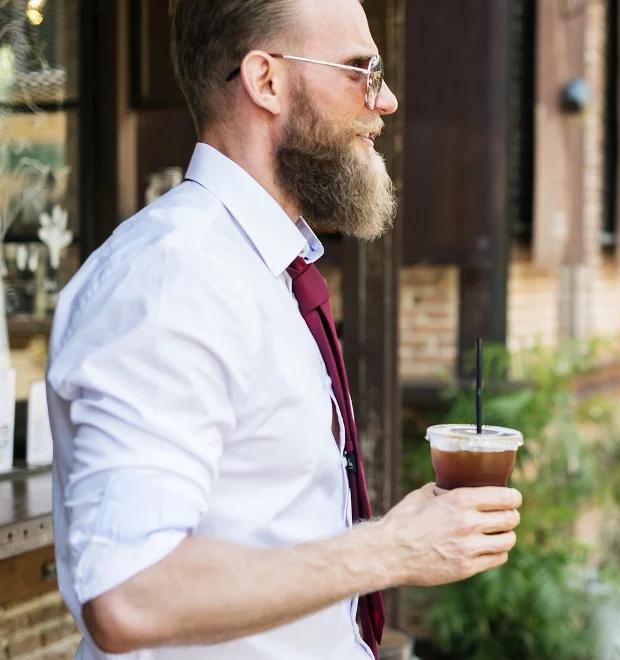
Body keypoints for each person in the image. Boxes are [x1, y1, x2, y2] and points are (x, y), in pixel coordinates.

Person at [46, 1, 522, 658]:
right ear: (266, 81)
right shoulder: (173, 279)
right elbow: (130, 594)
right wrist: (391, 548)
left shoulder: (260, 269)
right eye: (362, 70)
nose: (385, 101)